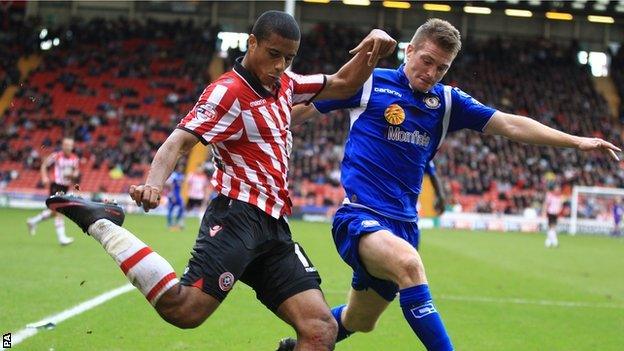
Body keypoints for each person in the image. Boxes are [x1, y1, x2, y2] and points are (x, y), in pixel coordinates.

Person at [47, 10, 396, 351]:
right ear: (252, 42)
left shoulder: (286, 84)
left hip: (274, 227)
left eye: (288, 58)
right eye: (274, 54)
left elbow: (343, 83)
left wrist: (372, 49)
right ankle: (103, 224)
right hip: (237, 218)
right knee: (184, 311)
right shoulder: (227, 92)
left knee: (321, 331)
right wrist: (154, 182)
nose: (280, 65)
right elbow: (179, 140)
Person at [279, 18, 620, 351]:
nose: (431, 73)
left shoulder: (447, 102)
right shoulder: (367, 83)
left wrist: (576, 141)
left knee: (359, 320)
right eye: (426, 61)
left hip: (404, 226)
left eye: (441, 68)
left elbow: (510, 125)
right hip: (360, 217)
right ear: (409, 51)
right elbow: (298, 112)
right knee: (410, 266)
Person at [26, 137, 79, 246]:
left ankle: (33, 221)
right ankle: (62, 238)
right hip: (55, 186)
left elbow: (76, 172)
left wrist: (74, 175)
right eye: (66, 145)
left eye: (70, 145)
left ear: (72, 147)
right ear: (63, 146)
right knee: (59, 211)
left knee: (54, 212)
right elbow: (44, 165)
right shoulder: (56, 156)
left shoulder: (75, 159)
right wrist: (44, 177)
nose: (68, 147)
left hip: (65, 187)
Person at [165, 164, 185, 230]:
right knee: (171, 208)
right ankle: (169, 223)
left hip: (178, 194)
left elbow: (181, 186)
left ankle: (177, 222)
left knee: (182, 207)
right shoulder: (174, 175)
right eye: (180, 167)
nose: (181, 168)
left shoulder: (181, 176)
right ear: (177, 168)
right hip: (173, 194)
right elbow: (170, 184)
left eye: (182, 167)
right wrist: (172, 194)